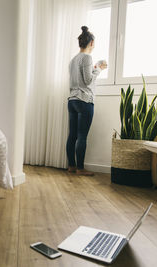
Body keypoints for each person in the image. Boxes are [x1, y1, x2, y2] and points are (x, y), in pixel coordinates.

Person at [66, 26, 107, 176]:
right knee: (82, 135)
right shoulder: (87, 58)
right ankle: (80, 168)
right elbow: (88, 80)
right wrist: (99, 69)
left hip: (72, 100)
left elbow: (79, 79)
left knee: (72, 135)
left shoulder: (73, 60)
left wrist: (93, 69)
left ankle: (71, 165)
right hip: (84, 100)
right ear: (91, 43)